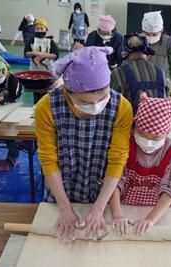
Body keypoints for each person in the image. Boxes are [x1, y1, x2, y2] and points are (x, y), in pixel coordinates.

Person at [35, 46, 133, 240]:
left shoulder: (122, 107)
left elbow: (117, 160)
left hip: (101, 189)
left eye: (103, 97)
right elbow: (48, 160)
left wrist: (98, 209)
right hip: (60, 191)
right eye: (85, 102)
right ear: (68, 90)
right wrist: (64, 208)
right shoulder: (46, 107)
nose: (96, 107)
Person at [109, 94, 171, 236]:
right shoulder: (126, 142)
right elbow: (115, 180)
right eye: (142, 134)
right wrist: (118, 215)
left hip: (158, 210)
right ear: (135, 126)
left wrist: (150, 219)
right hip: (123, 207)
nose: (148, 141)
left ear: (167, 131)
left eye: (156, 137)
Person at [111, 33, 167, 114]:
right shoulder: (160, 72)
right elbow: (166, 100)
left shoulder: (118, 73)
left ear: (126, 54)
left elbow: (113, 106)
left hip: (130, 125)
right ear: (147, 53)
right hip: (159, 124)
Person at [0, 55, 23, 172]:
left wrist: (2, 99)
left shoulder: (14, 80)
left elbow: (14, 96)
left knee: (12, 135)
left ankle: (13, 159)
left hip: (14, 107)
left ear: (4, 70)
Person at [142, 11, 171, 101]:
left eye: (154, 34)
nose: (151, 37)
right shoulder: (137, 41)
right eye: (147, 34)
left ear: (161, 30)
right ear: (143, 31)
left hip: (160, 88)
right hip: (138, 88)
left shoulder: (169, 43)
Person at [24, 18, 59, 103]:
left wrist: (44, 55)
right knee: (36, 93)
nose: (39, 31)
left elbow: (56, 55)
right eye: (37, 29)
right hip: (34, 71)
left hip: (47, 72)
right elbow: (26, 53)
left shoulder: (50, 41)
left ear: (46, 30)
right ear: (34, 30)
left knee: (47, 93)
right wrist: (34, 53)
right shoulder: (31, 40)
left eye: (41, 29)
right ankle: (36, 107)